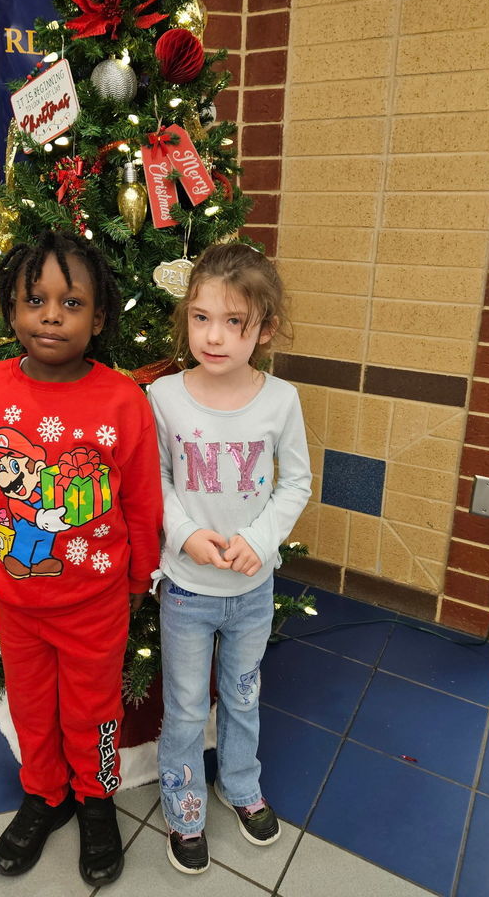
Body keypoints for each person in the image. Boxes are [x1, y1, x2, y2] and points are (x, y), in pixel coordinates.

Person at [0, 229, 163, 887]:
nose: (51, 315)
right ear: (11, 309)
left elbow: (141, 500)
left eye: (71, 303)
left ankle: (96, 797)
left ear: (99, 317)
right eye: (35, 299)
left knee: (94, 709)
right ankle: (44, 794)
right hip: (17, 601)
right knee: (30, 706)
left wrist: (138, 578)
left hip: (96, 606)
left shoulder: (122, 400)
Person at [148, 242, 312, 874]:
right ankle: (182, 801)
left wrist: (261, 539)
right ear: (186, 317)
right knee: (187, 704)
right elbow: (154, 479)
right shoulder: (164, 397)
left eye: (233, 322)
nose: (213, 337)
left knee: (243, 694)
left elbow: (296, 481)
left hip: (251, 590)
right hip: (187, 588)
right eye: (200, 318)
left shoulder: (281, 400)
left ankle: (240, 784)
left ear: (263, 328)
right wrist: (185, 533)